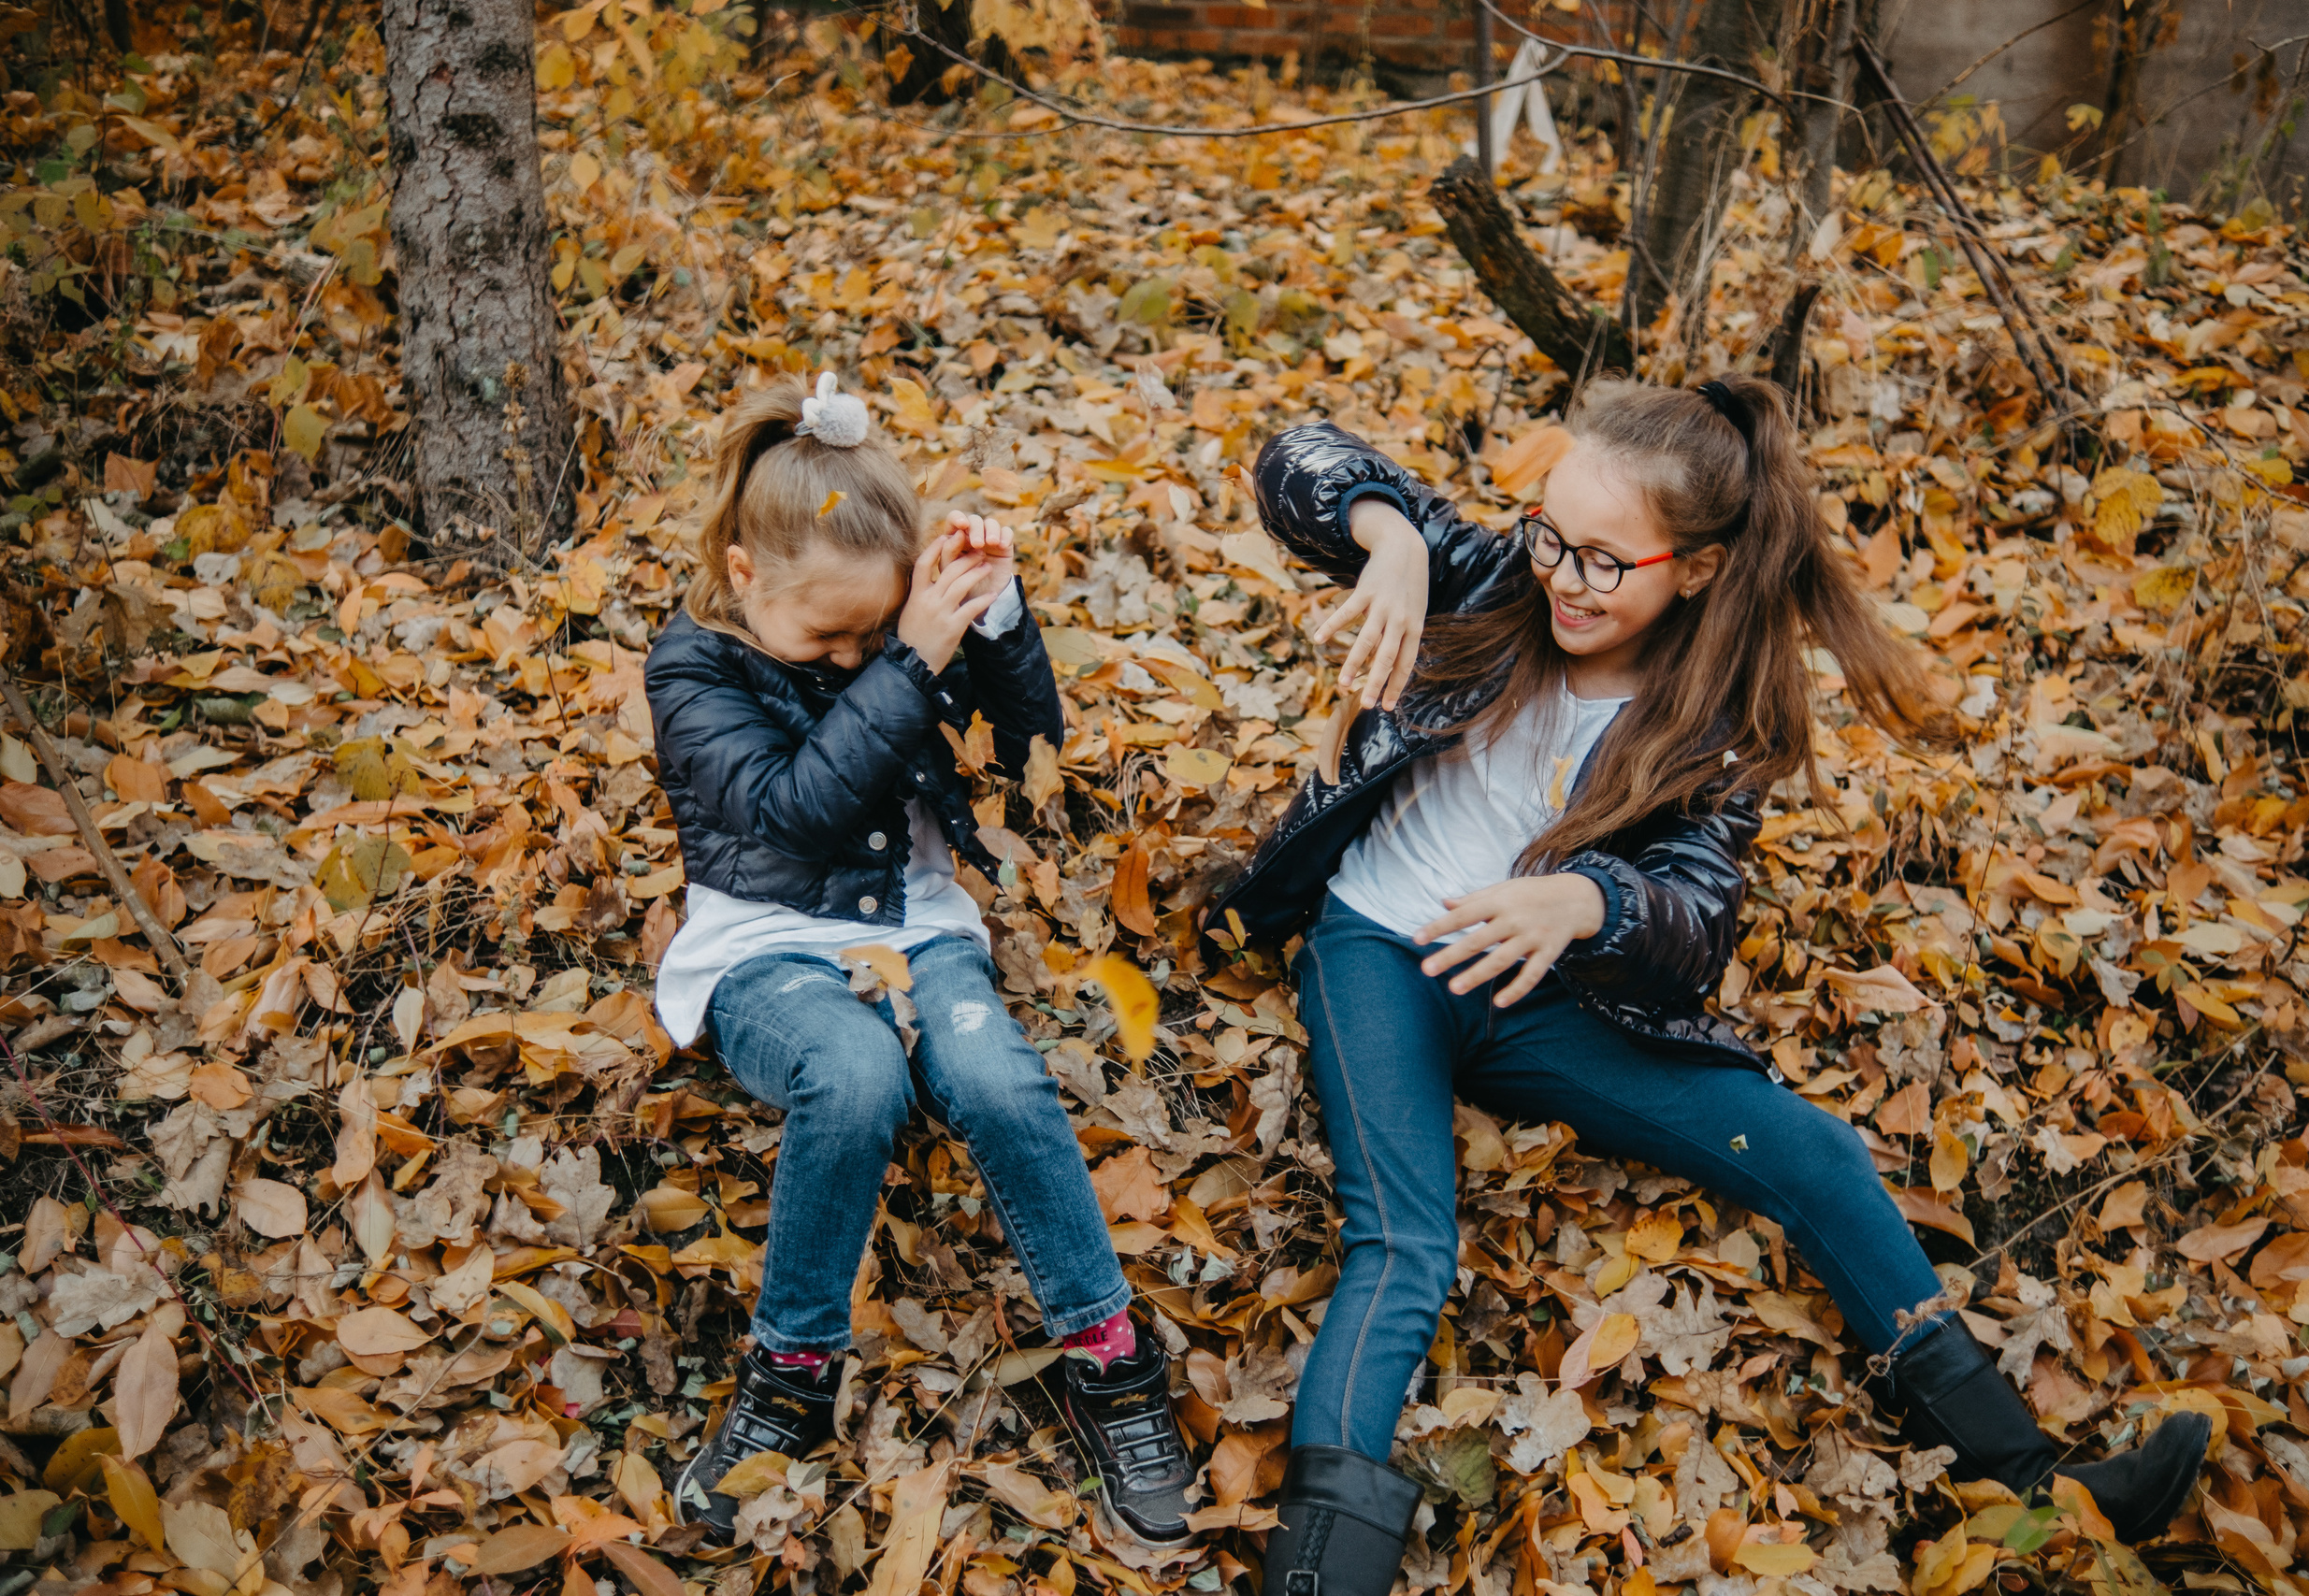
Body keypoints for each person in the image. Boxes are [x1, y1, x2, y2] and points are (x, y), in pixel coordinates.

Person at [1205, 378, 2211, 1596]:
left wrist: (1590, 901)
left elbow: (1693, 920)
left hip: (1541, 989)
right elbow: (1298, 456)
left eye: (1604, 560)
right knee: (1407, 1240)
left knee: (1817, 1152)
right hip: (1377, 947)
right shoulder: (1492, 575)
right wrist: (1394, 539)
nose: (1564, 577)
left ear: (1695, 566)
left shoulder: (1712, 721)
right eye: (1549, 534)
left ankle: (2029, 1476)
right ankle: (1319, 1570)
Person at [644, 373, 1199, 1546]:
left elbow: (1027, 742)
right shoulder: (691, 665)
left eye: (873, 631)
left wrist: (990, 620)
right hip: (765, 944)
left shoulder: (907, 630)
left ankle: (1106, 1352)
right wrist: (906, 655)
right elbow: (791, 813)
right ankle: (790, 1371)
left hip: (921, 924)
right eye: (829, 637)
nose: (853, 658)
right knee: (851, 1078)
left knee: (995, 1076)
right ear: (746, 577)